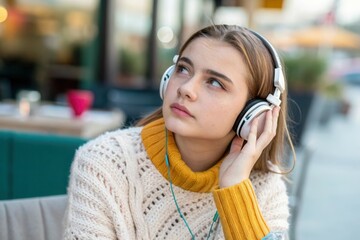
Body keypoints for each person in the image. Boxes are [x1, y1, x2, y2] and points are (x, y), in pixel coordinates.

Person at [63, 24, 295, 240]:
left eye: (215, 83)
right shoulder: (105, 163)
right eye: (183, 69)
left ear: (254, 113)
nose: (186, 88)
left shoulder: (265, 186)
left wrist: (235, 190)